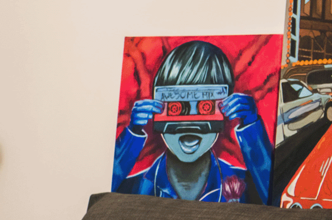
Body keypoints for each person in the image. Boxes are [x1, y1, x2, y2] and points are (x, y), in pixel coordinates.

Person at [112, 40, 273, 203]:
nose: (189, 125)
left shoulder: (243, 186)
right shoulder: (134, 189)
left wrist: (251, 128)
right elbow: (105, 194)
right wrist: (132, 134)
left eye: (205, 107)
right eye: (176, 108)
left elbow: (276, 201)